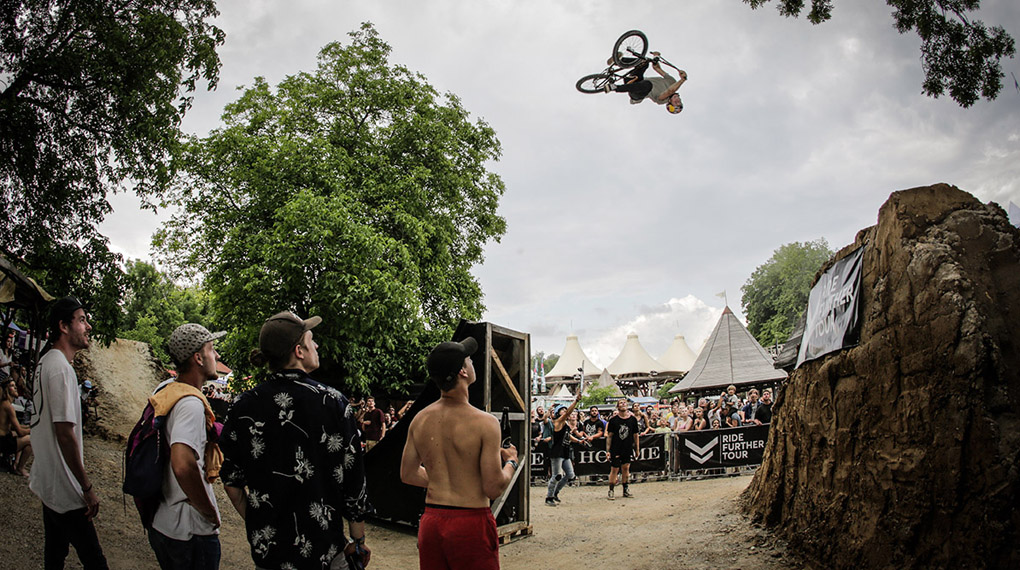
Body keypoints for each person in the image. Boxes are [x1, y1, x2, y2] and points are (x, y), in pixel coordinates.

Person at [219, 311, 371, 570]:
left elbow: (232, 482)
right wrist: (358, 540)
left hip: (271, 557)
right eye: (312, 340)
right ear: (299, 351)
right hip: (326, 553)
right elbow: (354, 483)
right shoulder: (333, 403)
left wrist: (260, 524)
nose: (317, 345)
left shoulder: (243, 406)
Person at [400, 337, 518, 570]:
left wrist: (443, 477)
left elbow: (408, 474)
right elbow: (493, 487)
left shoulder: (420, 419)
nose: (472, 361)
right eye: (469, 358)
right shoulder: (485, 423)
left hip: (432, 521)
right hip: (470, 523)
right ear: (463, 372)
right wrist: (511, 462)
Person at [29, 296, 109, 569]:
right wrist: (86, 487)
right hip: (65, 487)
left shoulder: (46, 362)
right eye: (82, 320)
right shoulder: (60, 369)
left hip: (50, 481)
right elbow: (64, 433)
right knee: (94, 560)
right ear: (64, 326)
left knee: (55, 554)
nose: (88, 326)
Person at [146, 324, 227, 569]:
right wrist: (209, 511)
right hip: (189, 530)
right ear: (198, 358)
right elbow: (182, 464)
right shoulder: (190, 404)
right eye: (212, 349)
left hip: (164, 521)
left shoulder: (166, 389)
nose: (217, 356)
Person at [608, 52, 687, 114]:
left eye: (675, 103)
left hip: (637, 94)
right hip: (635, 80)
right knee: (644, 62)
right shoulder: (672, 81)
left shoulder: (662, 100)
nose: (677, 101)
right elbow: (657, 68)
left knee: (648, 85)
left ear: (669, 103)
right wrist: (656, 58)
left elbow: (670, 91)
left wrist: (682, 80)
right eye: (679, 102)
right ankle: (618, 60)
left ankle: (615, 87)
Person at [543, 391, 583, 507]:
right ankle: (548, 497)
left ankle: (555, 493)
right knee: (556, 475)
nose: (565, 412)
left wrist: (578, 440)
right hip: (557, 451)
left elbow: (568, 436)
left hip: (565, 451)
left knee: (570, 475)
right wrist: (576, 401)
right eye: (563, 410)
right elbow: (567, 414)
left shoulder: (564, 425)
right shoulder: (557, 422)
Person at [605, 399, 639, 500]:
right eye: (621, 403)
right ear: (618, 407)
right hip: (616, 448)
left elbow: (636, 435)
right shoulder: (613, 420)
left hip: (627, 447)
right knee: (614, 469)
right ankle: (611, 490)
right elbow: (609, 436)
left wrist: (637, 449)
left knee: (626, 468)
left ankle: (625, 489)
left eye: (625, 403)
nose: (623, 404)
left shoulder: (633, 420)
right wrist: (607, 450)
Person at [1, 377, 32, 475]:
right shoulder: (8, 407)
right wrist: (32, 430)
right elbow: (19, 431)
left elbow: (13, 427)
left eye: (15, 386)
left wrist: (27, 427)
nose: (15, 388)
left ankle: (16, 464)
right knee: (31, 440)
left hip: (4, 437)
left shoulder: (3, 404)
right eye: (12, 386)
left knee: (20, 436)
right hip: (2, 441)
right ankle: (19, 468)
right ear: (6, 389)